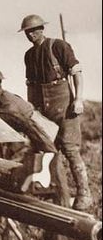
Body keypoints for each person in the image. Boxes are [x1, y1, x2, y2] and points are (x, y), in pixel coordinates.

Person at [18, 14, 92, 211]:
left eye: (34, 30)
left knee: (70, 149)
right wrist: (32, 112)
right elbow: (31, 86)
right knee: (48, 150)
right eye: (27, 32)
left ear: (42, 29)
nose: (31, 34)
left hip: (65, 105)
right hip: (43, 108)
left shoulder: (58, 46)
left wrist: (78, 99)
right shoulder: (29, 55)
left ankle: (84, 193)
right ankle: (57, 194)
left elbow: (76, 73)